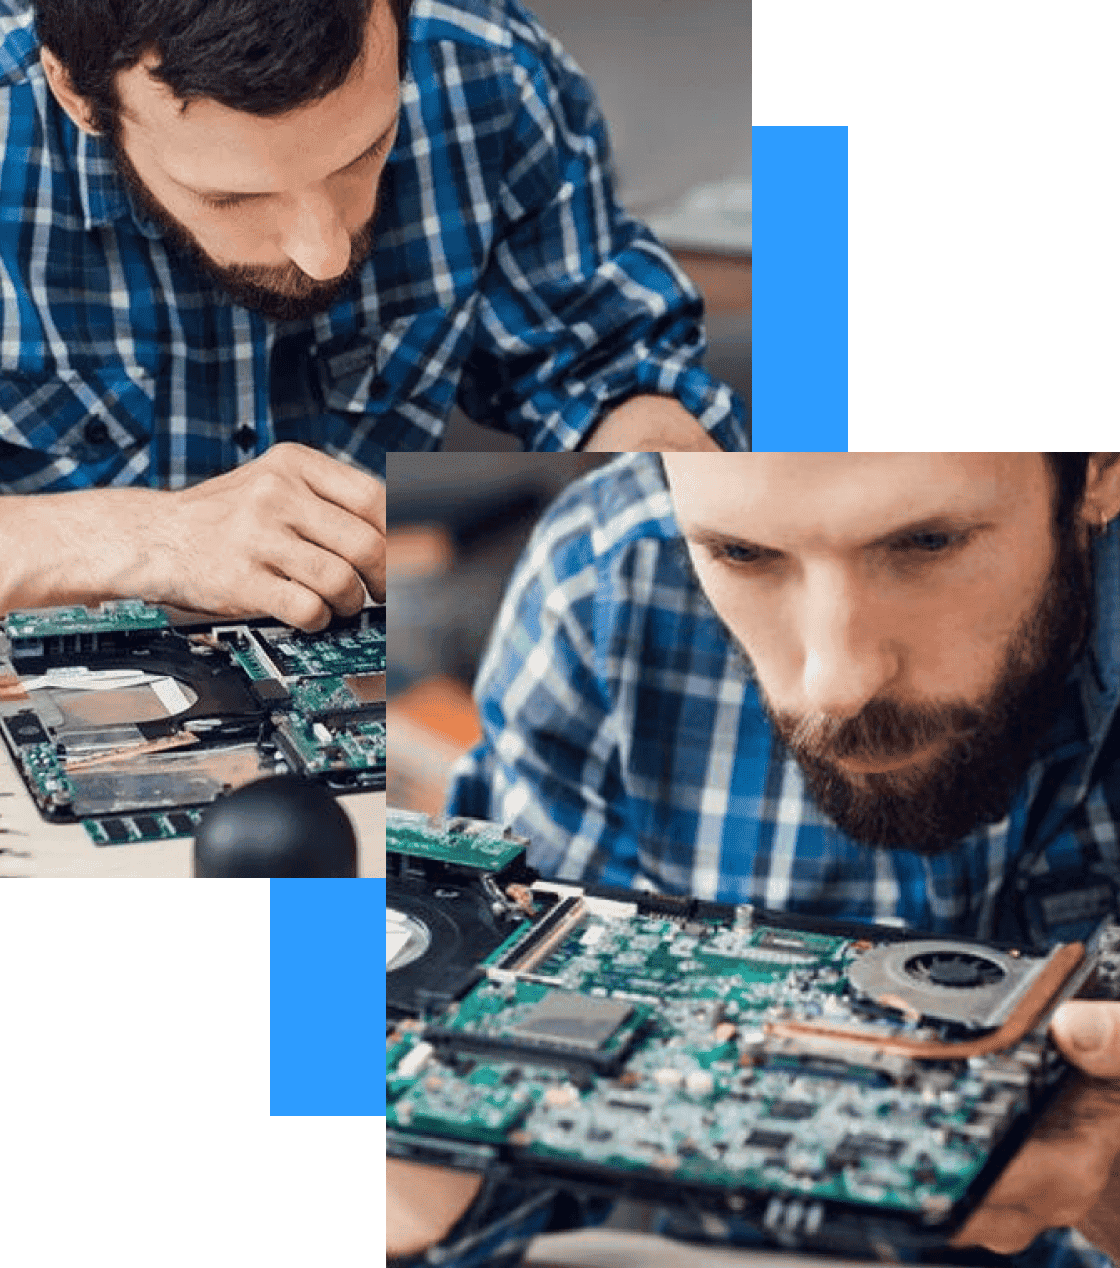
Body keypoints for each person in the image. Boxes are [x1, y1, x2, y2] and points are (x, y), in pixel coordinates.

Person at [388, 453, 1120, 1267]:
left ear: (1098, 467)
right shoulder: (610, 577)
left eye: (926, 542)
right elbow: (522, 1107)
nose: (835, 682)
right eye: (742, 554)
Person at [0, 0, 745, 628]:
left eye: (366, 151)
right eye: (232, 197)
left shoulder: (483, 70)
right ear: (75, 93)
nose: (323, 250)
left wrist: (675, 506)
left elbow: (607, 372)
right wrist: (147, 537)